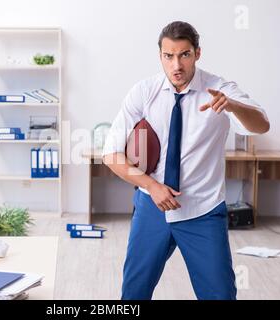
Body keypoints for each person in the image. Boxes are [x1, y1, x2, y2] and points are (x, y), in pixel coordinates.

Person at [102, 21, 270, 300]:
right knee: (133, 294)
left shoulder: (220, 89)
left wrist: (232, 105)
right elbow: (111, 154)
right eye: (169, 56)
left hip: (202, 210)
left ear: (197, 53)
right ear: (160, 56)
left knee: (220, 296)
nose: (176, 65)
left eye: (184, 55)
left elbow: (261, 125)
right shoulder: (144, 92)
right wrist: (151, 186)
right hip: (151, 207)